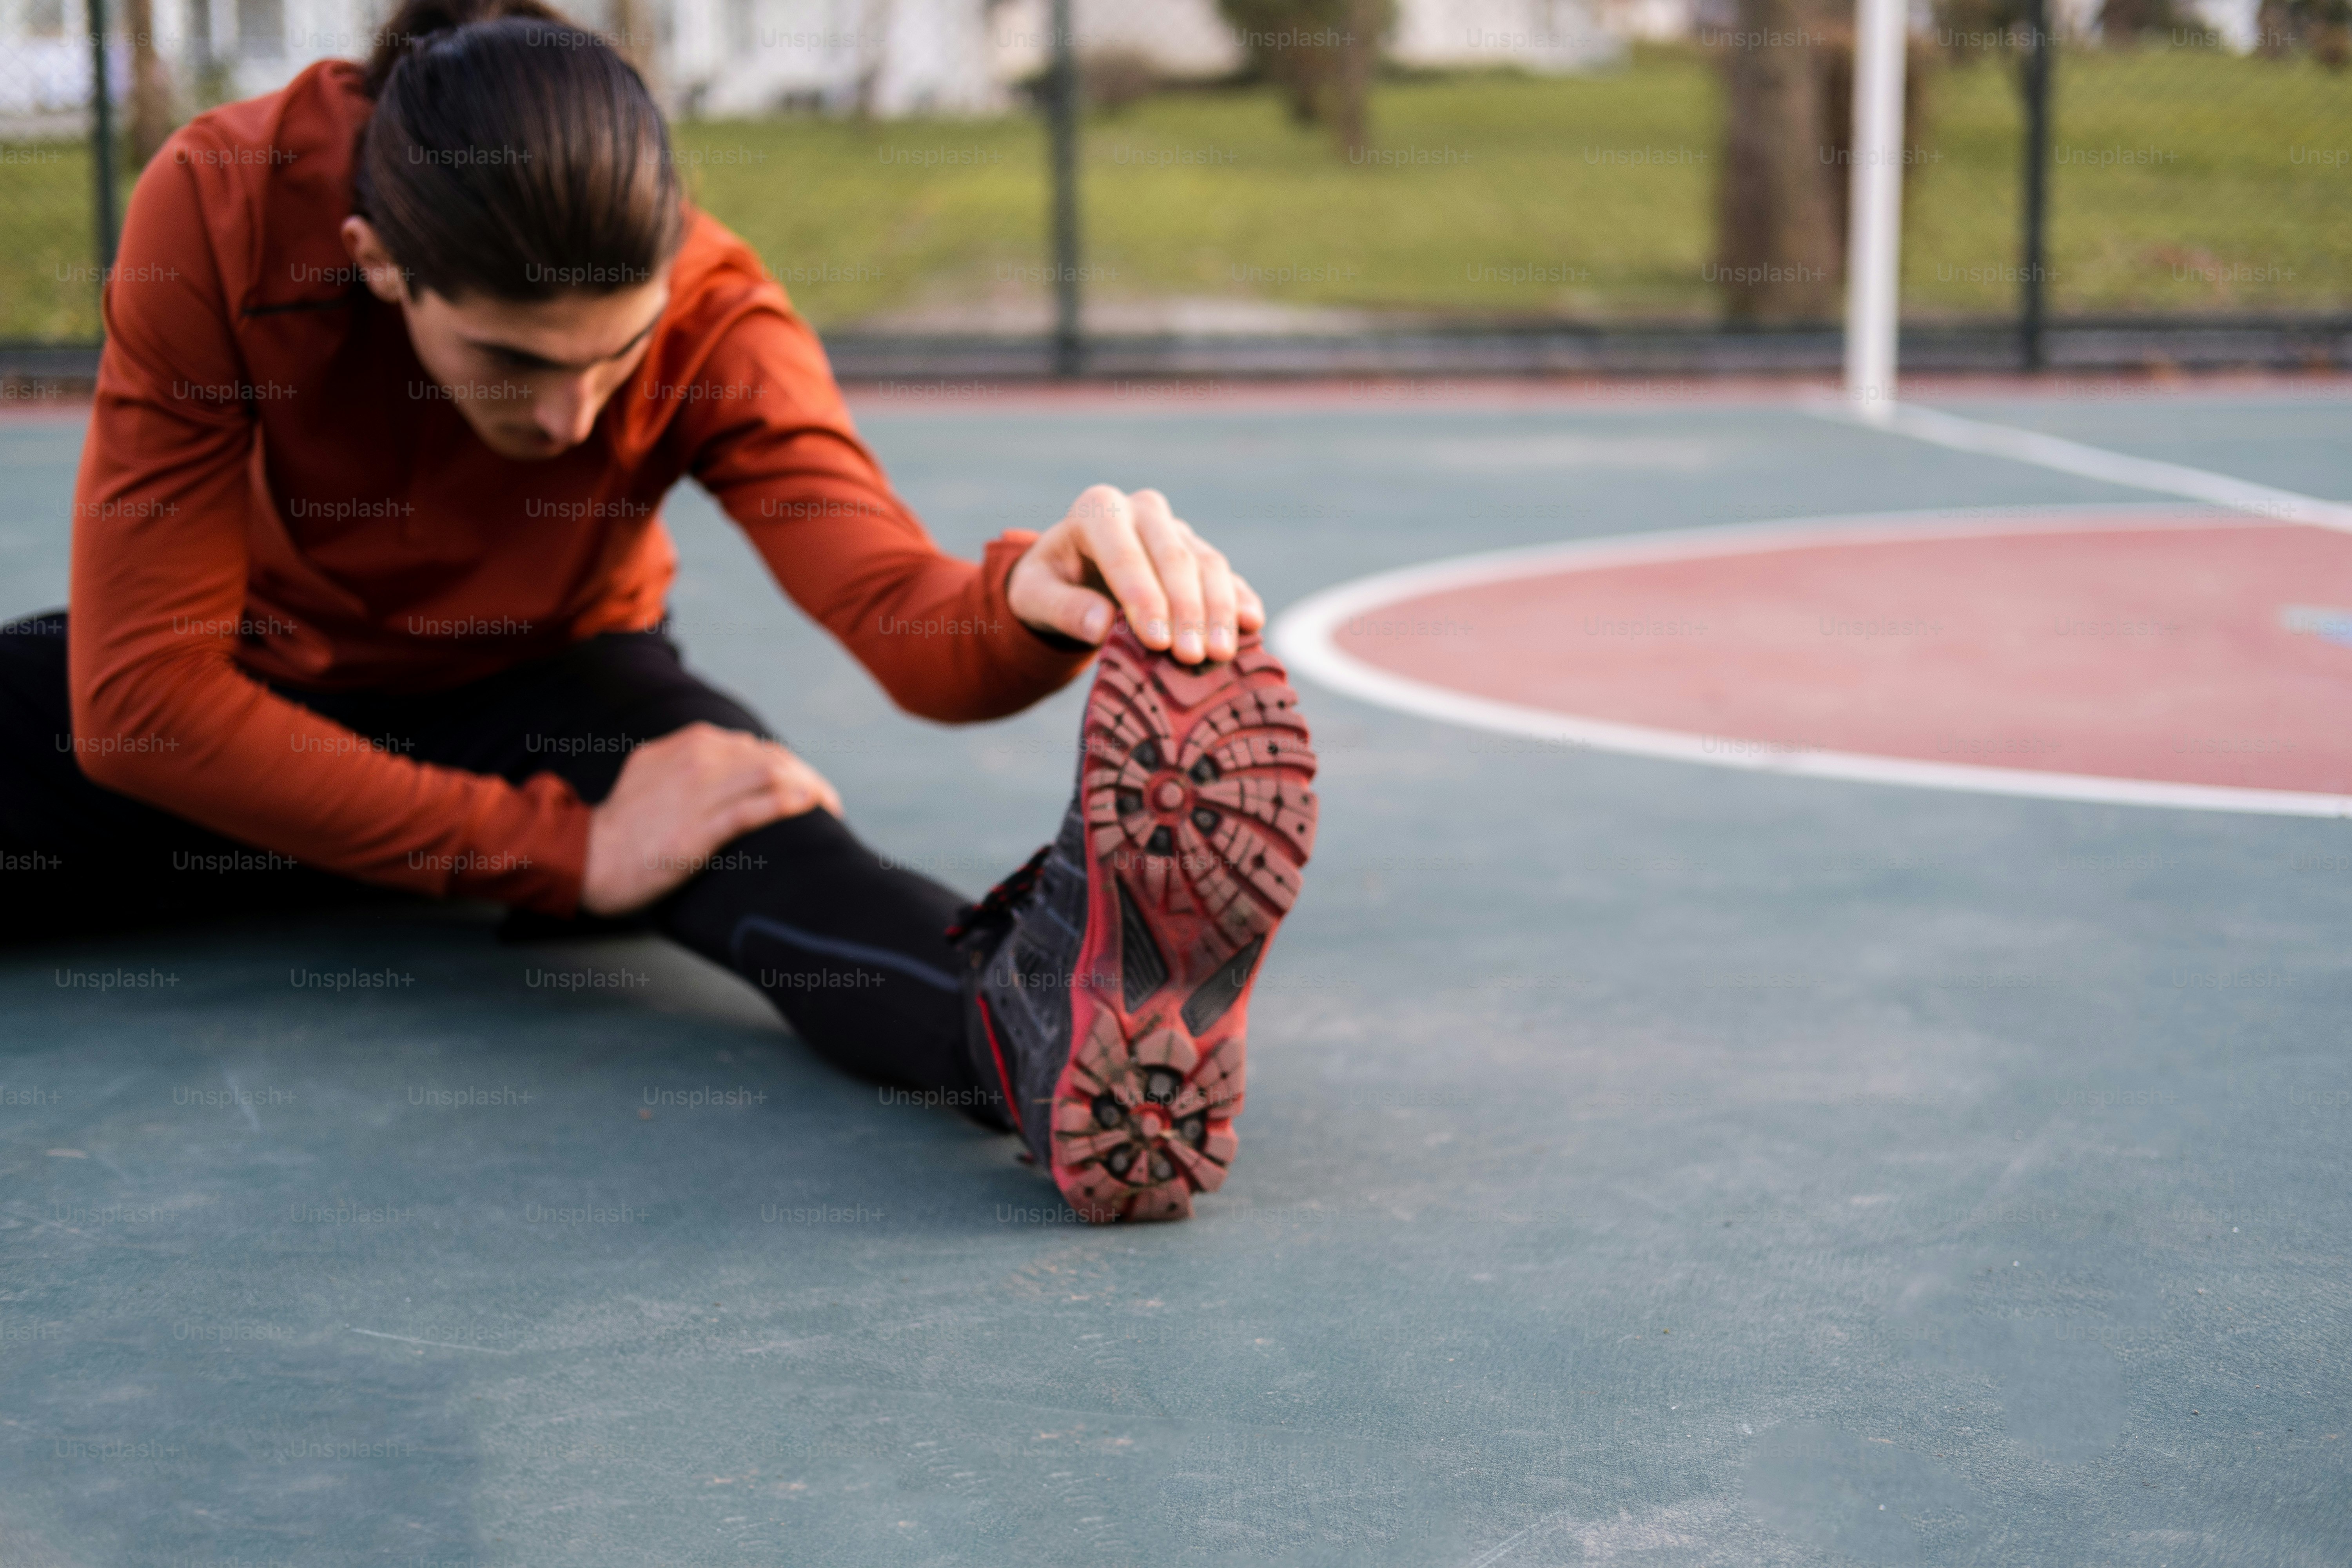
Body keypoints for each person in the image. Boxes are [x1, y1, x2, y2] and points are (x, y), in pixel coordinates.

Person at [0, 0, 1317, 1223]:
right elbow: (147, 713)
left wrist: (1026, 603)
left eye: (614, 356)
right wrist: (572, 855)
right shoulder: (226, 208)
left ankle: (1038, 1032)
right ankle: (362, 852)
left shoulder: (716, 311)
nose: (572, 418)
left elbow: (892, 612)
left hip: (555, 692)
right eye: (512, 361)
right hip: (246, 695)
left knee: (774, 846)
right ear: (380, 263)